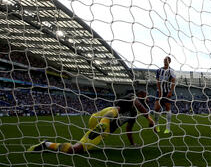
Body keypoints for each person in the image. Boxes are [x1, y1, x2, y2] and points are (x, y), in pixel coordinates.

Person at [27, 91, 155, 154]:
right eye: (146, 96)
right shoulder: (131, 97)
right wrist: (149, 119)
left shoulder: (133, 114)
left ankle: (46, 145)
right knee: (115, 110)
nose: (148, 99)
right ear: (141, 95)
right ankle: (103, 124)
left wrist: (133, 144)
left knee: (75, 149)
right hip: (100, 117)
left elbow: (129, 130)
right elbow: (137, 102)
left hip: (102, 132)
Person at [152, 56, 176, 134]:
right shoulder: (159, 70)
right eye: (164, 60)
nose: (165, 61)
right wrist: (159, 91)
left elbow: (173, 82)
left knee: (167, 108)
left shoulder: (171, 71)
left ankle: (168, 128)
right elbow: (158, 81)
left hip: (167, 91)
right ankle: (157, 125)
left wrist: (170, 92)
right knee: (156, 108)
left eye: (167, 60)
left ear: (169, 61)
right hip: (159, 91)